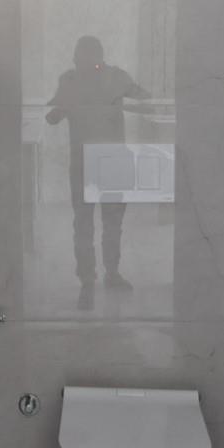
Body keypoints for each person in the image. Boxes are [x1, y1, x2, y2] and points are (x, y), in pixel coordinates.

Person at [46, 36, 150, 306]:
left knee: (100, 222)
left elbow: (144, 97)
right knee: (92, 222)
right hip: (93, 160)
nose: (79, 63)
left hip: (103, 160)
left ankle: (100, 276)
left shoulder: (98, 77)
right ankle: (93, 278)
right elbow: (53, 115)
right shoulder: (80, 79)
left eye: (82, 58)